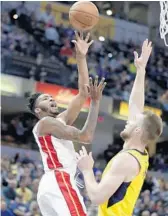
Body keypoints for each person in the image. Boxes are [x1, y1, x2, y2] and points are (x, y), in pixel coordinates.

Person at [76, 39, 163, 216]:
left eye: (133, 122)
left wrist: (86, 169)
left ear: (138, 131)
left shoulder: (127, 161)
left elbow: (97, 196)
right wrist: (140, 71)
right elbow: (136, 105)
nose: (128, 121)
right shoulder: (140, 153)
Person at [27, 31, 106, 216]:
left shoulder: (58, 121)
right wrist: (95, 104)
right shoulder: (46, 123)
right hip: (59, 179)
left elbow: (83, 93)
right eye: (46, 99)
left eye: (51, 98)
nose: (52, 100)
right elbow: (86, 136)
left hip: (53, 184)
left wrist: (80, 57)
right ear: (38, 110)